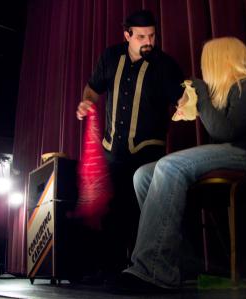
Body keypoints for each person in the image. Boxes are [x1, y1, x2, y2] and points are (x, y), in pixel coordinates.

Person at [119, 37, 246, 292]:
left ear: (220, 61)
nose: (203, 70)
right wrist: (194, 106)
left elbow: (224, 133)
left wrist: (201, 93)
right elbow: (219, 135)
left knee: (170, 166)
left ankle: (153, 269)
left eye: (207, 64)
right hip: (233, 153)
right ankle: (181, 263)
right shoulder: (228, 95)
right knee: (143, 175)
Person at [76, 9, 184, 276]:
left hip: (147, 152)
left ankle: (142, 271)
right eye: (142, 36)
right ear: (127, 36)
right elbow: (93, 87)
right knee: (112, 212)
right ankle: (110, 270)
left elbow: (182, 99)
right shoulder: (111, 57)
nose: (149, 41)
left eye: (152, 35)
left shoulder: (165, 65)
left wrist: (185, 105)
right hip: (112, 150)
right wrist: (87, 100)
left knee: (142, 213)